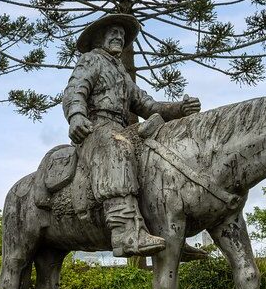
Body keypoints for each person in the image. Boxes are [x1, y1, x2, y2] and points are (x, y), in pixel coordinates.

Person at [63, 14, 202, 257]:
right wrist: (76, 115)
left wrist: (179, 109)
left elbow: (147, 105)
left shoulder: (121, 73)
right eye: (113, 32)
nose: (119, 36)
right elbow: (75, 91)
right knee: (118, 146)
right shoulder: (91, 60)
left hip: (120, 127)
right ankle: (125, 233)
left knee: (156, 153)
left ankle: (169, 232)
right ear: (98, 37)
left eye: (122, 34)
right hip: (96, 130)